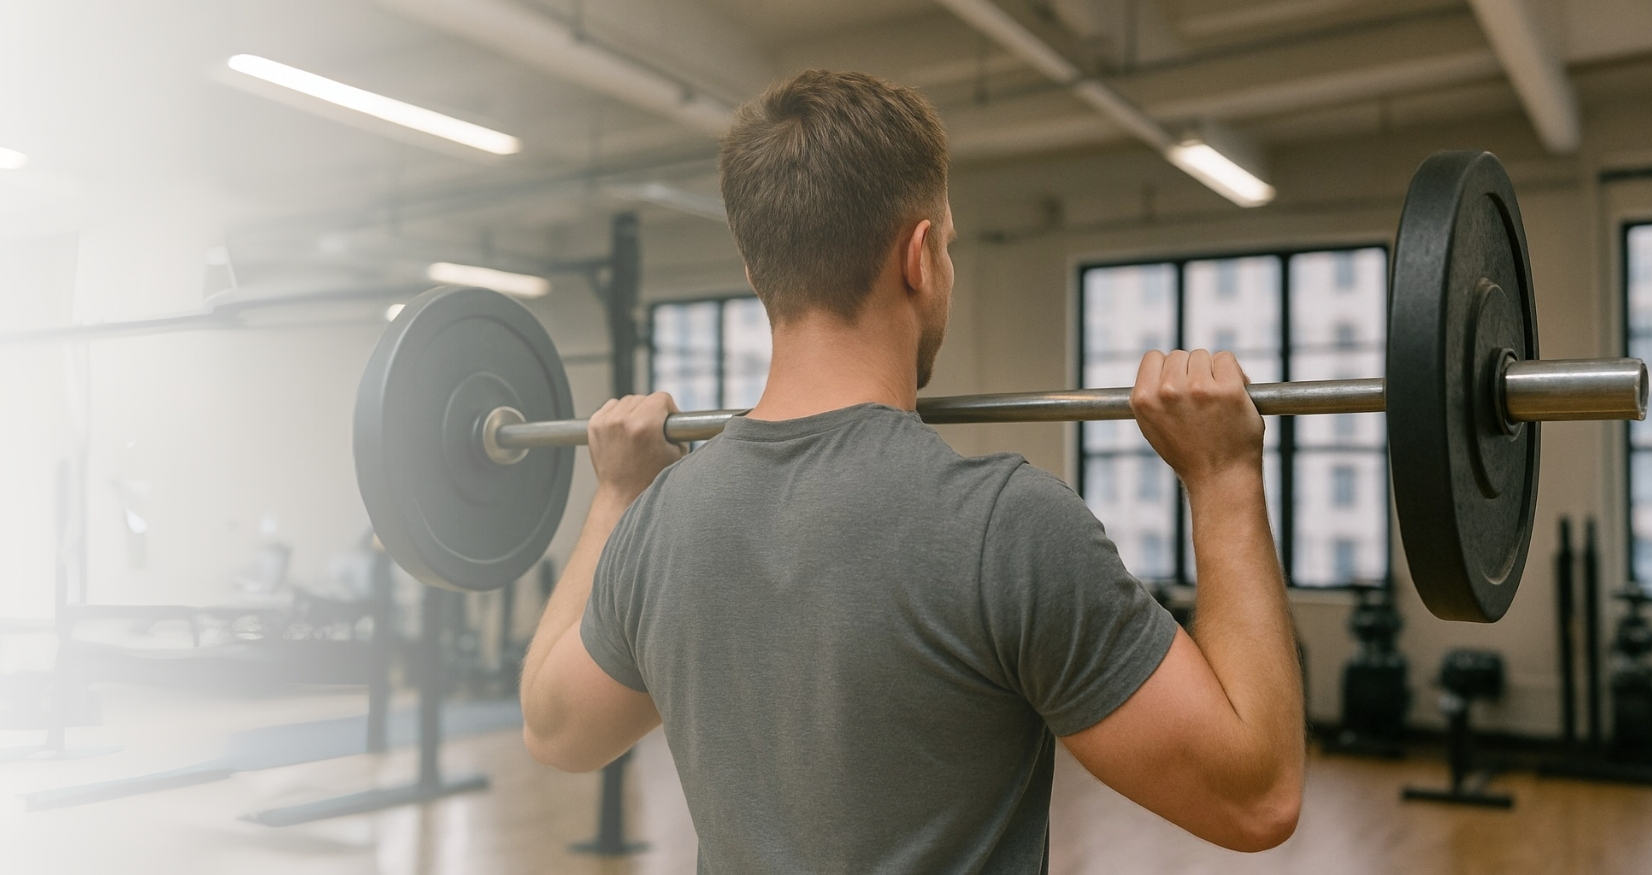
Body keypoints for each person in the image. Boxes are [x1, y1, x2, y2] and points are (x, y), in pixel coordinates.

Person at [518, 70, 1303, 874]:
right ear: (920, 257)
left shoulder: (661, 521)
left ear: (759, 274)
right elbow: (1257, 798)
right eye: (951, 244)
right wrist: (1224, 477)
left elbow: (554, 728)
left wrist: (617, 491)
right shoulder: (1007, 528)